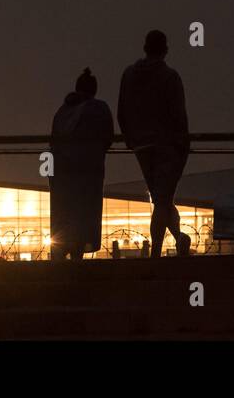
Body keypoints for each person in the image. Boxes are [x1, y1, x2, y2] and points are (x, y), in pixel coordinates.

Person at [117, 30, 192, 257]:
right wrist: (183, 145)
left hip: (141, 145)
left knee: (161, 198)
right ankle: (157, 254)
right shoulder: (170, 77)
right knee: (163, 199)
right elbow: (179, 115)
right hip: (167, 145)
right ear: (165, 50)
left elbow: (122, 111)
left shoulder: (129, 75)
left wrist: (130, 138)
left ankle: (179, 239)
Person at [49, 68, 114, 260]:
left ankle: (61, 254)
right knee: (84, 212)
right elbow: (107, 136)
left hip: (61, 172)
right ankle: (78, 254)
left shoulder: (62, 111)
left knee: (64, 213)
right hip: (89, 171)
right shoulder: (98, 108)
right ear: (94, 90)